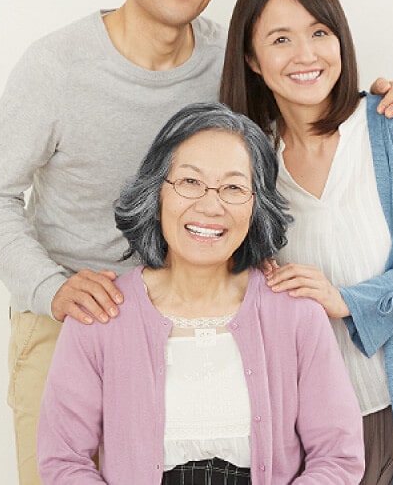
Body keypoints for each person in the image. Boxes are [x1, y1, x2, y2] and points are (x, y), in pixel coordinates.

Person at [0, 0, 393, 484]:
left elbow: (297, 109)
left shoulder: (228, 63)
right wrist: (52, 287)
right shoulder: (56, 67)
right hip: (79, 317)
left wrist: (379, 104)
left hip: (206, 318)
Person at [220, 0, 393, 485]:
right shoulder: (246, 163)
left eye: (320, 32)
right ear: (251, 58)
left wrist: (347, 301)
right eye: (280, 39)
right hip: (312, 433)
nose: (306, 54)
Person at [37, 102, 364, 484]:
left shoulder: (296, 313)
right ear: (157, 194)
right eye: (190, 182)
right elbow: (63, 461)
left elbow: (338, 458)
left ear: (257, 206)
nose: (210, 205)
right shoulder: (101, 314)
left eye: (234, 188)